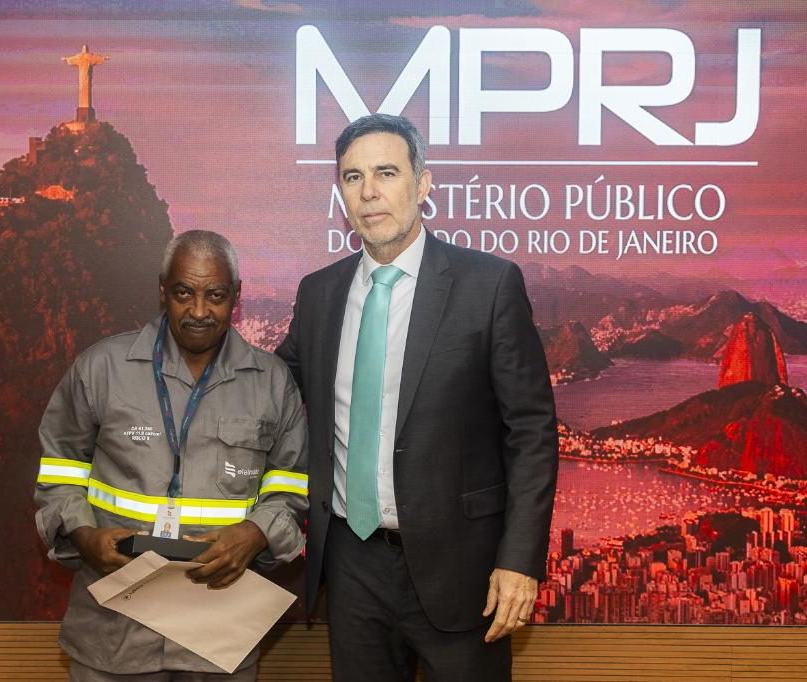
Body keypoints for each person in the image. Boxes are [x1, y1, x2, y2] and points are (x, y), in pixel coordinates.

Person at [276, 114, 558, 681]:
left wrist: (519, 561)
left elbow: (531, 432)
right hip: (352, 565)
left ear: (423, 183)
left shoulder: (488, 285)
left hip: (464, 567)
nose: (369, 192)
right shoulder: (319, 293)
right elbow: (271, 389)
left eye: (386, 172)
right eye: (353, 177)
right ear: (340, 194)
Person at [35, 230, 309, 681]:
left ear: (236, 296)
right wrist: (83, 535)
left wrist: (256, 533)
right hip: (114, 624)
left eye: (215, 295)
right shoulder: (100, 369)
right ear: (162, 290)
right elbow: (59, 470)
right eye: (184, 293)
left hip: (219, 627)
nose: (198, 311)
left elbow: (291, 484)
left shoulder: (272, 382)